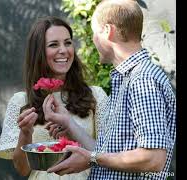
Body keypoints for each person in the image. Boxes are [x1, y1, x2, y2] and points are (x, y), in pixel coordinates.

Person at [44, 0, 176, 180]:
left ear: (108, 31)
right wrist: (68, 122)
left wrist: (91, 158)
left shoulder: (142, 80)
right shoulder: (127, 78)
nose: (92, 39)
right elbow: (107, 154)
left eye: (94, 33)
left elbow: (153, 159)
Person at [0, 16, 108, 180]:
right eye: (53, 44)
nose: (63, 50)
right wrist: (25, 133)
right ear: (39, 52)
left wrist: (71, 131)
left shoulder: (96, 96)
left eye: (68, 43)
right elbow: (22, 170)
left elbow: (111, 154)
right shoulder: (21, 102)